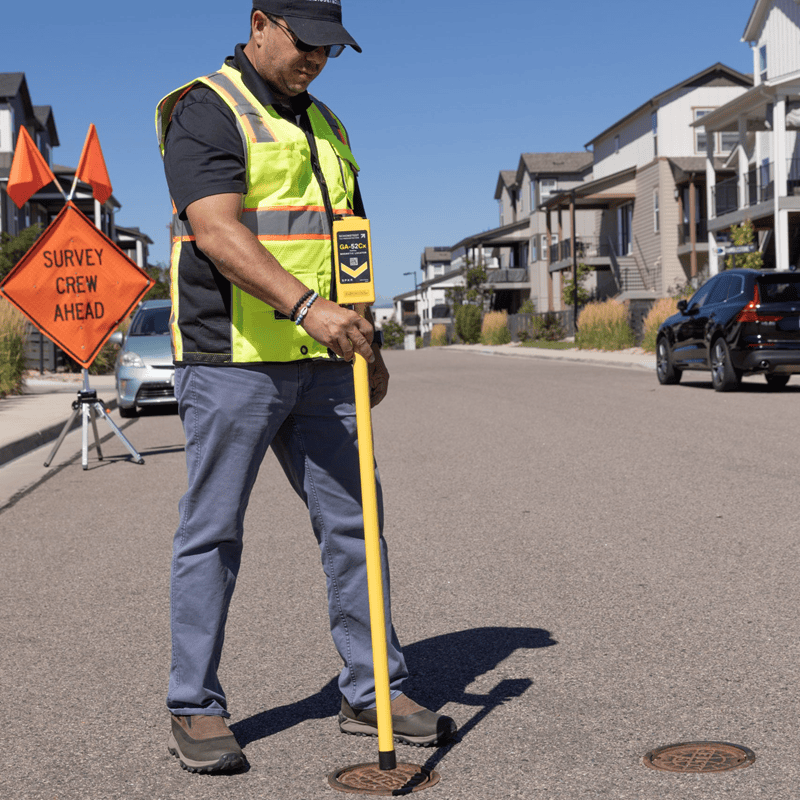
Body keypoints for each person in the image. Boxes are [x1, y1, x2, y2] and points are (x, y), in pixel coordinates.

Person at [155, 0, 456, 774]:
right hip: (233, 361)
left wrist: (367, 340)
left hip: (325, 363)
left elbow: (346, 246)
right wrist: (305, 307)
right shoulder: (207, 109)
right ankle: (195, 705)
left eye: (332, 48)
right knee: (213, 533)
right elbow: (217, 231)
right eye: (307, 43)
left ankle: (373, 691)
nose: (318, 59)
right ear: (260, 23)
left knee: (357, 525)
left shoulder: (330, 128)